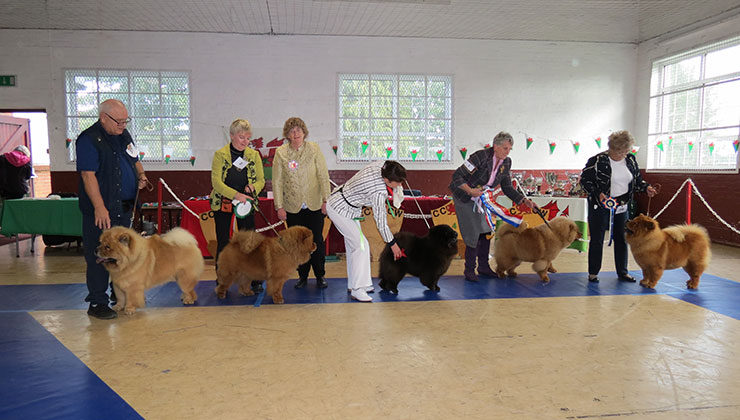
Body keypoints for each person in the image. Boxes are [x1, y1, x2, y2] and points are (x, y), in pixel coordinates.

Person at [76, 99, 148, 320]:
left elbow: (134, 158)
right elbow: (88, 175)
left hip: (123, 208)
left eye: (126, 120)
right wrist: (99, 208)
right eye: (119, 121)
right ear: (104, 117)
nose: (123, 125)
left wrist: (141, 175)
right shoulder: (89, 139)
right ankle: (97, 302)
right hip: (102, 211)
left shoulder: (123, 135)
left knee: (122, 255)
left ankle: (120, 295)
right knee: (100, 256)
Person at [449, 131, 535, 282]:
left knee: (487, 230)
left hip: (483, 198)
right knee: (473, 232)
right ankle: (469, 269)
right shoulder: (480, 157)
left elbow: (507, 187)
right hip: (465, 197)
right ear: (495, 146)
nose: (507, 152)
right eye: (505, 148)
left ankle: (483, 266)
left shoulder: (506, 162)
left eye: (509, 149)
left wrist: (524, 200)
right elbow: (457, 176)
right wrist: (470, 191)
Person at [579, 130, 657, 283]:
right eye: (622, 151)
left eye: (627, 151)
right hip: (600, 205)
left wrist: (646, 187)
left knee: (622, 238)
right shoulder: (597, 161)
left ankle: (623, 272)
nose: (624, 154)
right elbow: (585, 181)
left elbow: (637, 181)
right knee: (597, 239)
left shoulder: (631, 160)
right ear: (613, 149)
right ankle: (593, 273)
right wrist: (598, 193)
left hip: (622, 205)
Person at [327, 160, 406, 302]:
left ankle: (354, 284)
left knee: (354, 246)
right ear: (386, 180)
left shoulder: (381, 166)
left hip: (349, 207)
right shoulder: (378, 192)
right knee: (362, 246)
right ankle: (359, 289)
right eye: (398, 183)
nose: (400, 185)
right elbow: (381, 223)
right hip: (339, 209)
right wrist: (393, 244)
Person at [272, 117, 331, 289]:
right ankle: (302, 276)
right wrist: (279, 206)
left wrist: (327, 200)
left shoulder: (314, 149)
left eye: (298, 130)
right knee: (297, 244)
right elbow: (277, 181)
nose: (296, 133)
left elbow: (323, 175)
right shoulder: (281, 153)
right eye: (292, 131)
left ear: (304, 132)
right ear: (287, 135)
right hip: (292, 207)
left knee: (317, 241)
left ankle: (320, 276)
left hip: (314, 205)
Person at [210, 118, 265, 292]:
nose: (245, 141)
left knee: (249, 242)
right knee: (224, 242)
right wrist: (236, 195)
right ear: (232, 136)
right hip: (224, 202)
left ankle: (253, 277)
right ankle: (222, 278)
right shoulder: (220, 155)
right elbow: (216, 183)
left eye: (248, 138)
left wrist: (252, 187)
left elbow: (261, 180)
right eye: (242, 137)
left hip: (246, 203)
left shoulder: (253, 155)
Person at [0, 145, 34, 211]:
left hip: (4, 191)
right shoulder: (27, 161)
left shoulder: (2, 158)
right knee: (19, 211)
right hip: (21, 191)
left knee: (3, 211)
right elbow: (28, 176)